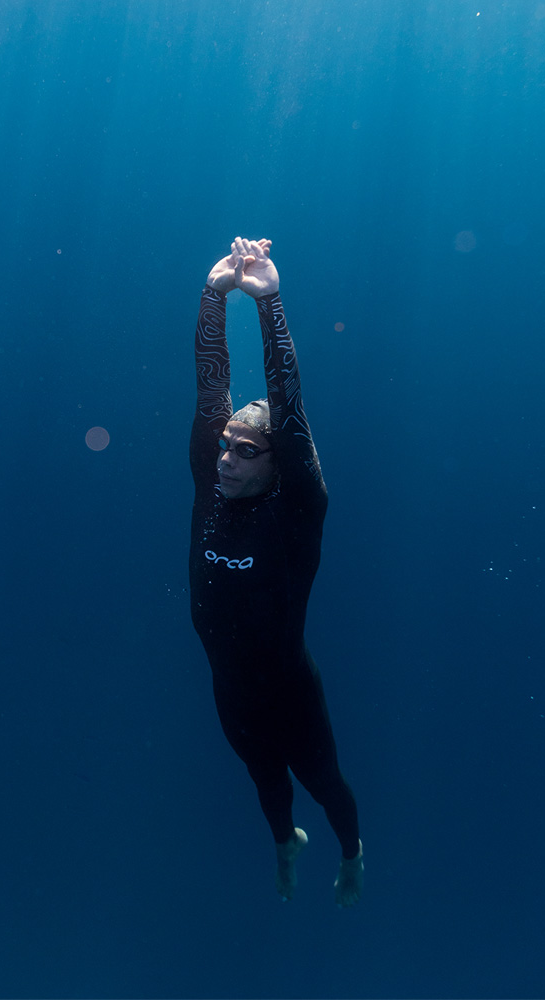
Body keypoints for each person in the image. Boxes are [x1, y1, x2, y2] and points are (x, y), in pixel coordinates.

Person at [188, 236, 363, 907]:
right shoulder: (211, 487)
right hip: (231, 692)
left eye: (245, 451)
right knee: (266, 785)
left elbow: (288, 407)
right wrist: (213, 294)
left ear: (276, 464)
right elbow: (211, 383)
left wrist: (269, 302)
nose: (226, 459)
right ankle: (285, 845)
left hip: (290, 694)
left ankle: (351, 854)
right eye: (224, 445)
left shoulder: (297, 511)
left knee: (325, 785)